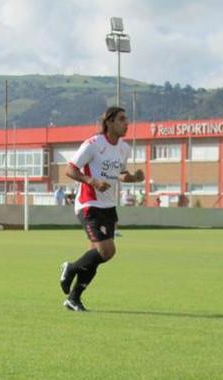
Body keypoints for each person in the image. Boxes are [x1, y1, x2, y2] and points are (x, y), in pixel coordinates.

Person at [58, 106, 144, 312]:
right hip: (89, 203)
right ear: (110, 122)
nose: (127, 123)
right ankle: (70, 267)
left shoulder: (124, 148)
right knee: (107, 251)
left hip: (108, 205)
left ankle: (74, 299)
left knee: (94, 256)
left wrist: (134, 178)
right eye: (122, 119)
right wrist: (92, 181)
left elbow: (121, 174)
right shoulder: (94, 144)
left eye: (127, 119)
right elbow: (70, 169)